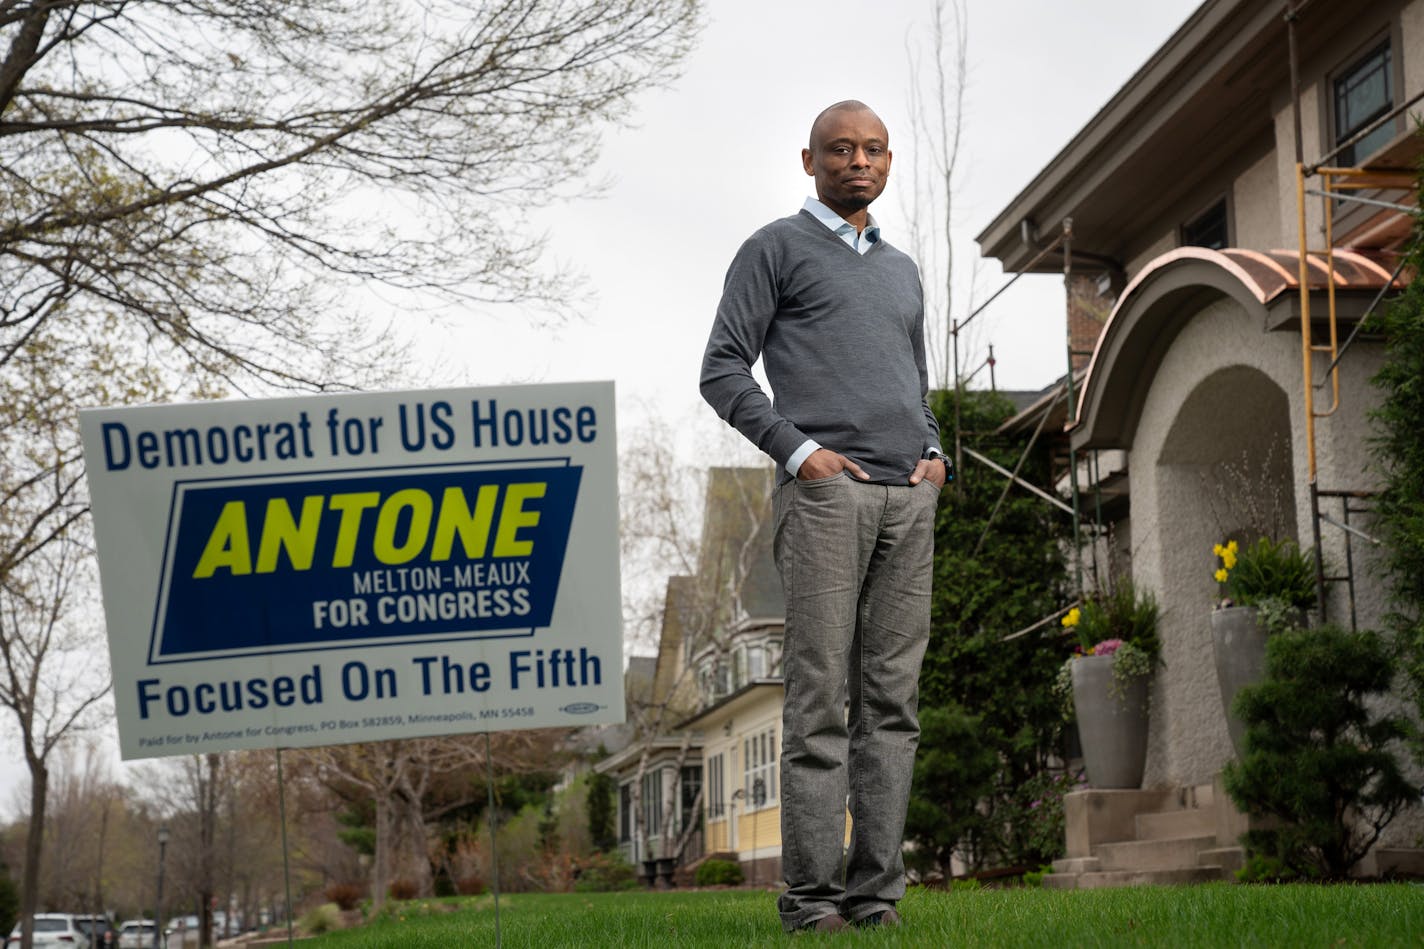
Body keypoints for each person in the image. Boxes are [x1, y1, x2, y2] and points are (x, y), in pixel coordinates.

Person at [700, 100, 948, 933]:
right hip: (825, 498)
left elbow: (915, 381)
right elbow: (723, 369)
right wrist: (799, 453)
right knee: (819, 702)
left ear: (888, 160)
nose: (859, 162)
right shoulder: (774, 249)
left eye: (874, 149)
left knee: (892, 704)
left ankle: (876, 900)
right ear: (808, 161)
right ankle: (812, 901)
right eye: (840, 149)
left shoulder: (902, 269)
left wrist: (935, 452)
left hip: (908, 501)